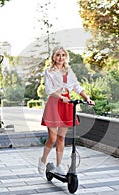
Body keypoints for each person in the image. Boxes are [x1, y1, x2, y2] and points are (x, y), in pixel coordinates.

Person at [38, 46, 94, 175]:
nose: (60, 57)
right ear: (53, 57)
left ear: (66, 57)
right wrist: (60, 97)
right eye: (58, 55)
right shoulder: (49, 71)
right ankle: (43, 160)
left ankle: (58, 165)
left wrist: (87, 98)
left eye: (63, 55)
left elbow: (76, 86)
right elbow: (48, 89)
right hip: (54, 104)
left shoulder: (69, 71)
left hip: (67, 104)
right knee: (52, 139)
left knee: (61, 138)